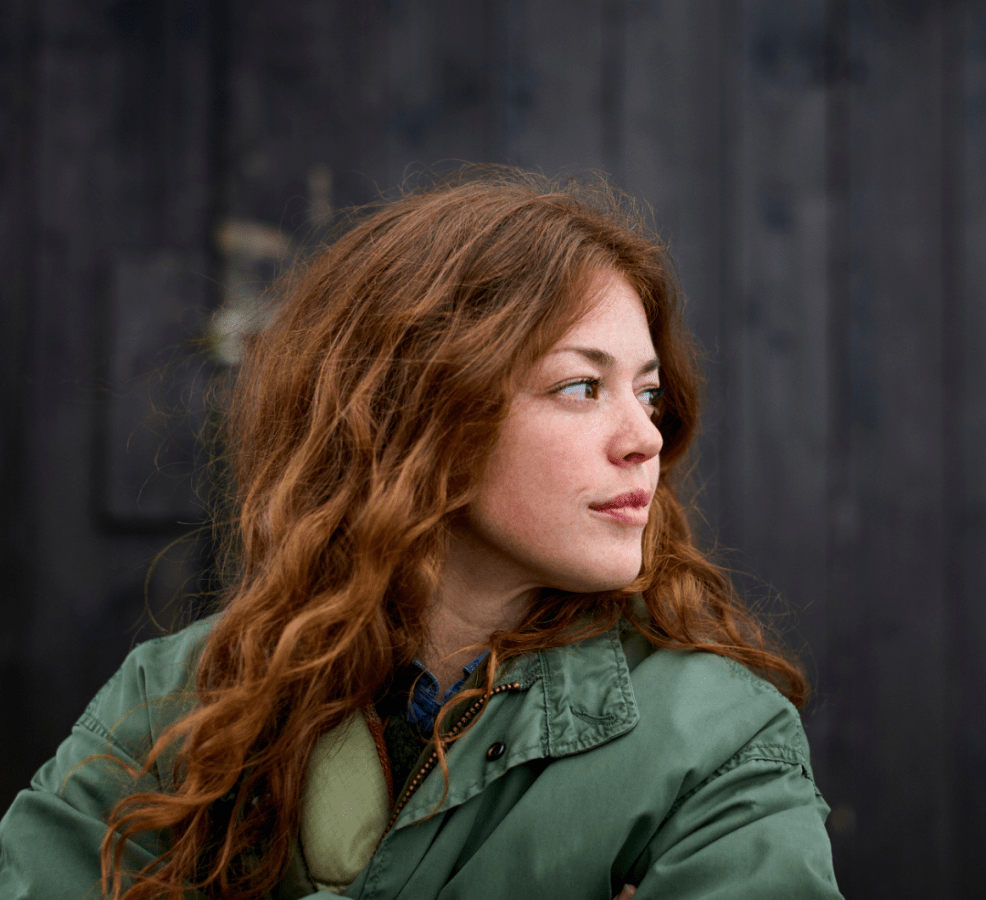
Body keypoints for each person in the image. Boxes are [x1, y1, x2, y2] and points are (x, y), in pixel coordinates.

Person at [0, 168, 842, 899]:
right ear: (421, 416)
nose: (645, 437)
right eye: (583, 388)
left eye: (648, 393)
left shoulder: (719, 741)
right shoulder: (178, 698)